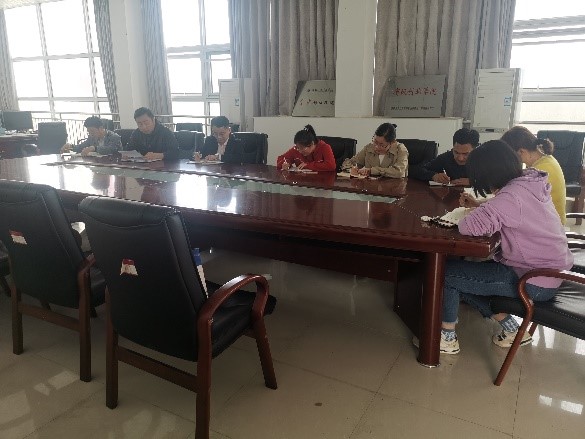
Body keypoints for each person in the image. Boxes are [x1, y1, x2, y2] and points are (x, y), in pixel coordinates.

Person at [435, 140, 573, 355]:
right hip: (547, 273)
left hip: (531, 279)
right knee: (465, 276)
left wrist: (481, 210)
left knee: (444, 274)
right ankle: (512, 329)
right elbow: (514, 211)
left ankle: (447, 338)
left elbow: (468, 226)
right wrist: (481, 206)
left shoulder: (511, 196)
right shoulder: (527, 183)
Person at [501, 126, 566, 224]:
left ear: (521, 151)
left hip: (548, 227)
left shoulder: (540, 171)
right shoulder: (547, 159)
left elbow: (511, 201)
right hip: (550, 222)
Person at [410, 128, 480, 185]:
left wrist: (474, 181)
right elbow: (415, 170)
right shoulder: (446, 157)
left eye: (465, 154)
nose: (460, 158)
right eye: (456, 152)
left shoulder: (483, 159)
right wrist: (433, 175)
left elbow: (487, 181)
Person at [340, 123, 408, 178]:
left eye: (381, 145)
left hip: (393, 188)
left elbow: (399, 172)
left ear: (392, 142)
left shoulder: (400, 150)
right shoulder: (369, 147)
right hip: (371, 187)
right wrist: (352, 168)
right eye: (375, 142)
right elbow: (350, 162)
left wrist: (372, 170)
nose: (376, 147)